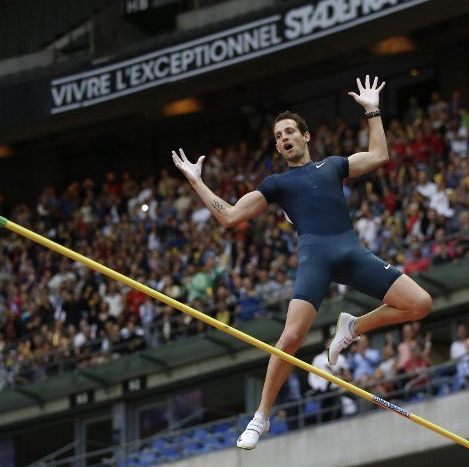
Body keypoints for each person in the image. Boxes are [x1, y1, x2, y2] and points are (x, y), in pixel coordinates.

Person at [171, 76, 433, 450]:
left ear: (305, 136)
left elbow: (379, 156)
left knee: (421, 304)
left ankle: (353, 327)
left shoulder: (332, 166)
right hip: (316, 259)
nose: (284, 139)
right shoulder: (277, 184)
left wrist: (372, 110)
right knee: (290, 338)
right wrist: (197, 181)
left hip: (351, 252)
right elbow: (229, 217)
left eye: (289, 132)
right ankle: (261, 417)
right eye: (278, 136)